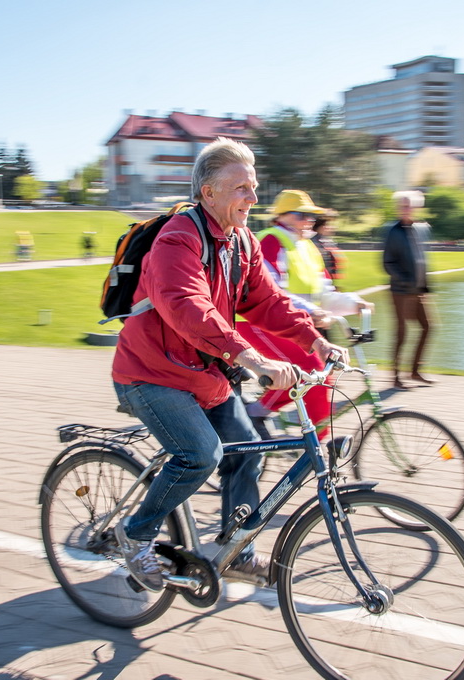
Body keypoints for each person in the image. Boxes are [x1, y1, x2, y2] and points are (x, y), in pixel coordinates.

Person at [111, 139, 349, 592]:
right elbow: (185, 305)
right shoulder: (177, 239)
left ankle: (236, 551)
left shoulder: (242, 241)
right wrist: (250, 357)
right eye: (241, 188)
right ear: (208, 193)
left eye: (254, 187)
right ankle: (136, 534)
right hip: (151, 374)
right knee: (202, 453)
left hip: (206, 376)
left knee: (247, 453)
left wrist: (314, 341)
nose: (253, 199)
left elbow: (268, 302)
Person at [239, 190, 369, 441]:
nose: (308, 220)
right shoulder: (270, 240)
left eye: (312, 216)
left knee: (322, 374)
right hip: (255, 322)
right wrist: (311, 311)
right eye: (302, 215)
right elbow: (273, 291)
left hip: (290, 323)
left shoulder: (308, 247)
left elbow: (325, 294)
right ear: (283, 216)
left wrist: (356, 304)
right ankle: (258, 415)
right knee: (310, 368)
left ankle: (315, 438)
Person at [382, 190, 434, 390]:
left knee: (429, 327)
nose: (405, 209)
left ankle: (414, 371)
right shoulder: (393, 232)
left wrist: (424, 285)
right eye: (402, 206)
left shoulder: (420, 229)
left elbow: (422, 260)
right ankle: (395, 377)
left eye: (409, 206)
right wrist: (404, 280)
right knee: (401, 333)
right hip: (400, 291)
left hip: (419, 290)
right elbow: (388, 263)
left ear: (416, 208)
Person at [310, 211, 347, 287]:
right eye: (328, 225)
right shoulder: (314, 242)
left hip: (329, 276)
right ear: (321, 227)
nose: (332, 228)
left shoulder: (328, 241)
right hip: (320, 277)